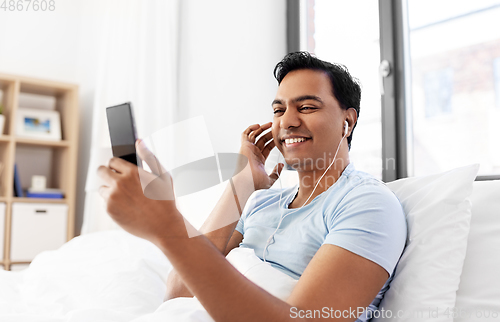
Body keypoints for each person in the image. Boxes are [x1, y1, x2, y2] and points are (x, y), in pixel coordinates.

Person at [97, 51, 407, 321]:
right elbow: (179, 293)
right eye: (278, 110)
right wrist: (244, 180)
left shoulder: (367, 203)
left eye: (307, 107)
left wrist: (167, 224)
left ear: (347, 122)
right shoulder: (261, 203)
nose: (287, 121)